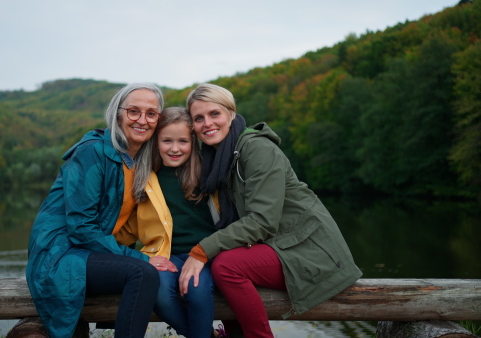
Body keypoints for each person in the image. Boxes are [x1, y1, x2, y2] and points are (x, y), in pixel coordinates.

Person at [179, 83, 363, 338]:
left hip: (310, 250)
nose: (207, 123)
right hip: (280, 244)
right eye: (198, 118)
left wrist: (201, 251)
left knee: (225, 266)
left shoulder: (257, 149)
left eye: (214, 114)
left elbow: (262, 221)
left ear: (231, 113)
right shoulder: (218, 158)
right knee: (215, 264)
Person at [26, 83, 176, 338]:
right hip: (59, 254)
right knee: (142, 272)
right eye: (133, 111)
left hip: (85, 251)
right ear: (118, 114)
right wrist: (142, 258)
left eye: (151, 113)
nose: (142, 120)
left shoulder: (139, 161)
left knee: (146, 273)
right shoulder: (92, 152)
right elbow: (81, 229)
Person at [116, 107, 220, 338]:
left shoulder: (207, 173)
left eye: (183, 141)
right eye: (167, 141)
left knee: (196, 290)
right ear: (155, 142)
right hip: (163, 255)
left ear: (193, 142)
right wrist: (106, 245)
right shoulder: (145, 178)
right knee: (159, 291)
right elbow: (130, 225)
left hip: (204, 254)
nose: (175, 148)